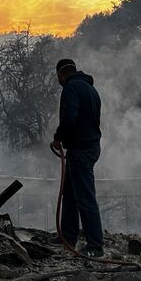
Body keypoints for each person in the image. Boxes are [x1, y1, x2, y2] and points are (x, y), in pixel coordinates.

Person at [50, 58, 104, 256]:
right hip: (89, 147)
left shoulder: (71, 88)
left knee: (85, 198)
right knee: (70, 194)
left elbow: (69, 117)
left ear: (61, 74)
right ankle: (68, 235)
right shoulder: (91, 89)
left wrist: (58, 138)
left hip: (80, 150)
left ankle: (95, 246)